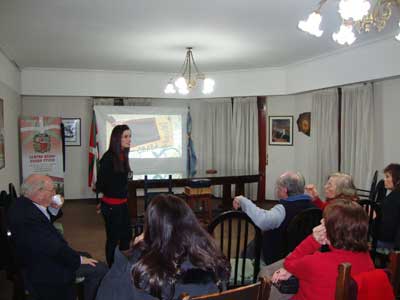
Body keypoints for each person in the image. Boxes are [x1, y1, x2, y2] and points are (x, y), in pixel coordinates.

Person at [96, 194, 230, 300]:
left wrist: (134, 252)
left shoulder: (135, 273)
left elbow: (108, 292)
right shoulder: (211, 268)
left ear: (150, 230)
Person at [7, 174, 108, 300]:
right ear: (39, 192)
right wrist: (78, 260)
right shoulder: (29, 219)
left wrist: (53, 209)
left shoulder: (24, 205)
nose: (55, 193)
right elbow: (54, 248)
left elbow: (43, 222)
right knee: (100, 269)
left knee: (87, 256)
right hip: (44, 269)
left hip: (38, 257)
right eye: (52, 190)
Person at [271, 199, 375, 300]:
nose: (321, 220)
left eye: (325, 220)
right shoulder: (366, 258)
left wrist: (313, 240)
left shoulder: (316, 262)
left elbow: (289, 263)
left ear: (334, 231)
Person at [233, 171, 316, 265]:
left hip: (278, 256)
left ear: (284, 190)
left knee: (253, 246)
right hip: (303, 253)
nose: (277, 190)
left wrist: (242, 200)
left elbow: (262, 220)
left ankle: (244, 273)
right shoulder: (314, 207)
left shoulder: (283, 209)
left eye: (278, 188)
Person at [96, 124, 133, 266]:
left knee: (126, 235)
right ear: (117, 139)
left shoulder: (123, 155)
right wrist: (103, 201)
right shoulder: (108, 158)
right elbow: (101, 184)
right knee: (113, 239)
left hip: (121, 203)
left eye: (130, 136)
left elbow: (124, 178)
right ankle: (111, 268)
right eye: (125, 136)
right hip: (111, 206)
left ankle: (123, 265)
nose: (129, 139)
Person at [378, 163, 400, 249]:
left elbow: (385, 232)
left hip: (390, 243)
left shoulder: (394, 198)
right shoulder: (395, 195)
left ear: (398, 180)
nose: (384, 179)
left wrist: (373, 217)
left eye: (387, 177)